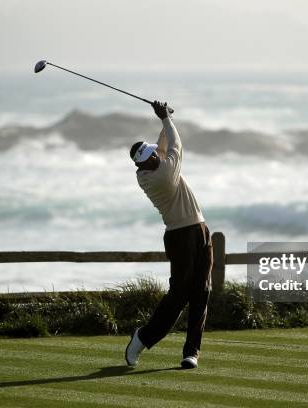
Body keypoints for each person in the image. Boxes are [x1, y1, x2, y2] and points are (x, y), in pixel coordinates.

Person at [125, 101, 213, 369]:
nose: (157, 154)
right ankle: (142, 337)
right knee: (179, 295)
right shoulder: (163, 174)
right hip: (181, 235)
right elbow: (176, 146)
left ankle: (191, 352)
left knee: (202, 291)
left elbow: (162, 147)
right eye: (153, 154)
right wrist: (164, 119)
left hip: (198, 229)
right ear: (151, 161)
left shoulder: (146, 171)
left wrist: (165, 120)